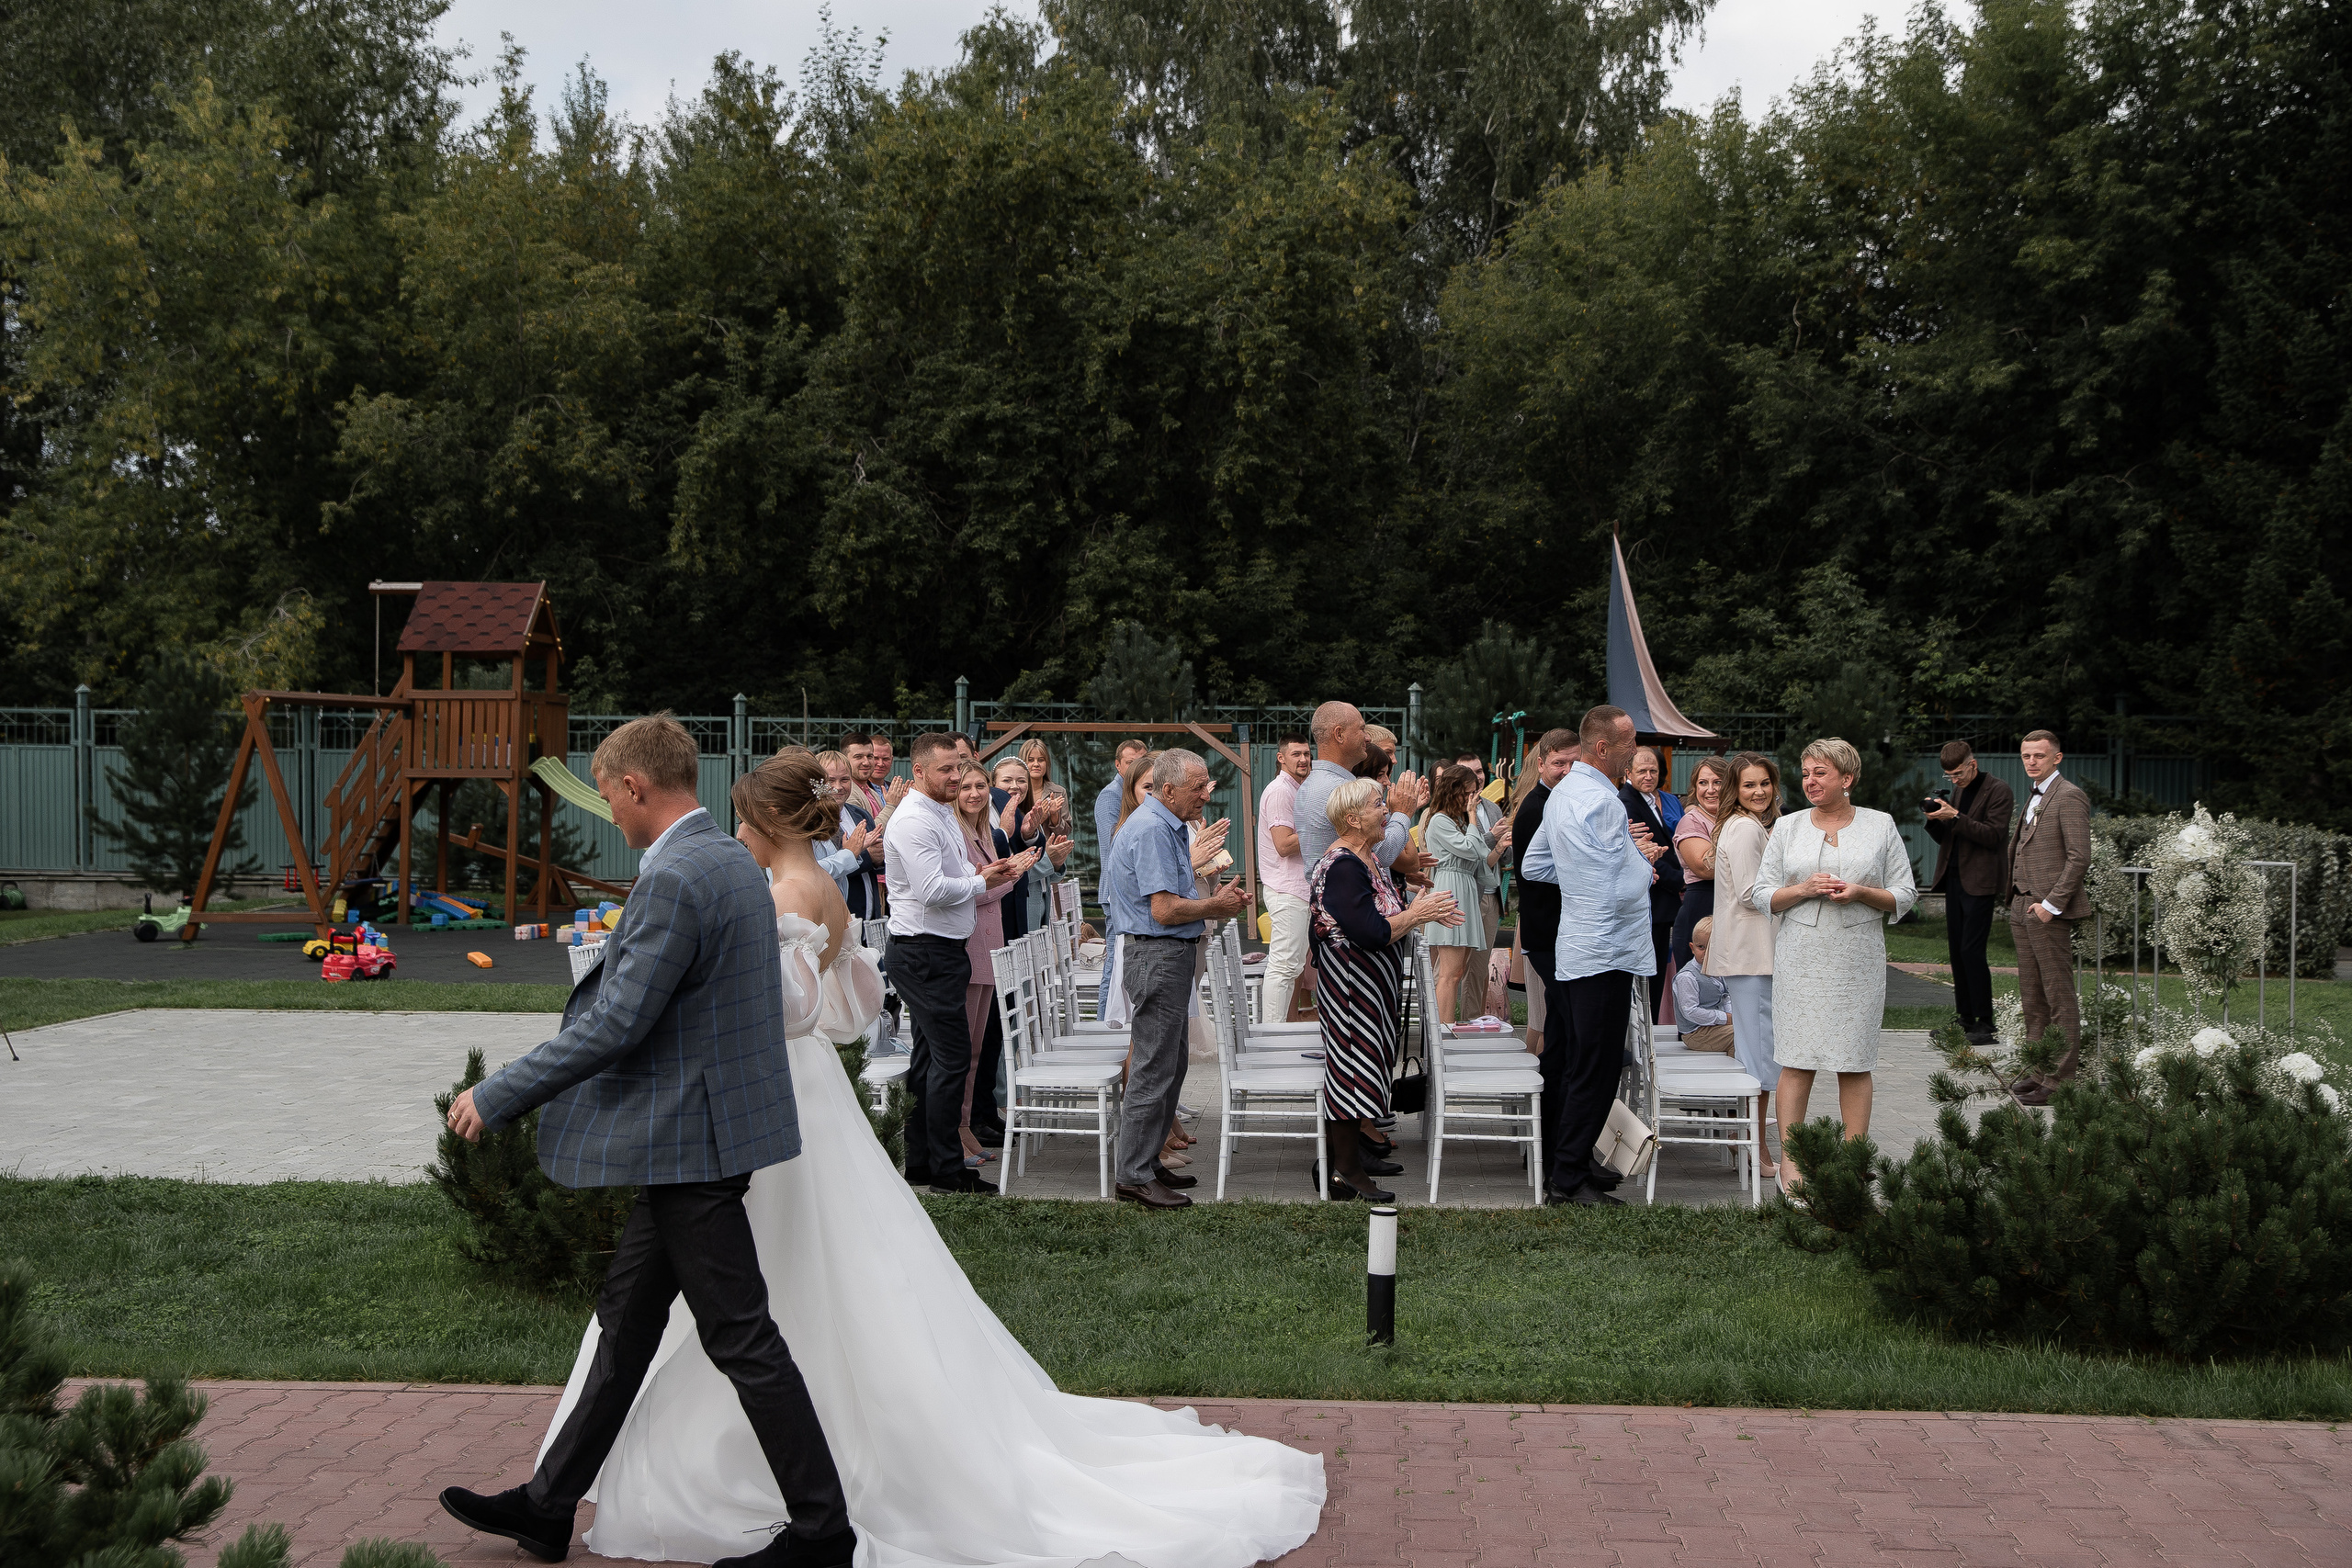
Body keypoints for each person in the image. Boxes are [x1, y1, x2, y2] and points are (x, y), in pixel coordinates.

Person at [497, 746, 1328, 1568]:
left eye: (746, 822)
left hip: (757, 1100)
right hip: (801, 1087)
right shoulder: (810, 887)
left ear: (761, 822)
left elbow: (782, 1008)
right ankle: (550, 1498)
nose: (740, 834)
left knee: (772, 1304)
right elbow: (850, 1007)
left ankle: (812, 1517)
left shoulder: (779, 890)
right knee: (658, 1306)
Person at [436, 716, 855, 1568]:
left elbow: (620, 1021)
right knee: (627, 1320)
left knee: (741, 1336)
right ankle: (550, 1507)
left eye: (610, 797)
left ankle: (823, 1532)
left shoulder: (680, 875)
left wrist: (499, 1091)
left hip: (689, 1144)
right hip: (702, 1135)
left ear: (634, 787)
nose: (610, 817)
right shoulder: (729, 861)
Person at [1753, 737, 1917, 1186]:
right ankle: (1794, 1160)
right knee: (1796, 1057)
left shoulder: (1880, 825)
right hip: (1801, 955)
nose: (1810, 781)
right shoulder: (1786, 828)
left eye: (1820, 773)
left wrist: (1861, 892)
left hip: (1857, 957)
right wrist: (1803, 889)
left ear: (1847, 779)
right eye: (1805, 773)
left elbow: (1905, 894)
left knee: (1854, 1058)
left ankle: (1853, 1159)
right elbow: (1762, 893)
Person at [883, 732, 1033, 1196]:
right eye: (946, 769)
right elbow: (931, 889)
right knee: (950, 1061)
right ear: (920, 772)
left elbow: (951, 878)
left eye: (961, 765)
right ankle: (948, 1169)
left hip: (944, 948)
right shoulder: (913, 820)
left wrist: (979, 876)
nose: (956, 776)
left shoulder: (939, 813)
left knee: (931, 1060)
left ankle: (925, 1162)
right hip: (923, 950)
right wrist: (980, 878)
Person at [1102, 750, 1248, 1210]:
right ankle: (1133, 1175)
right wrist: (1216, 906)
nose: (1208, 793)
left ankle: (1147, 1164)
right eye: (1199, 786)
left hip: (1168, 955)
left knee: (1171, 1064)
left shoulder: (1163, 826)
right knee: (1153, 1067)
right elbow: (1163, 911)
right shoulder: (1150, 830)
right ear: (1168, 791)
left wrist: (1212, 898)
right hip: (1158, 954)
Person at [1535, 705, 1667, 1206]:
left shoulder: (1562, 792)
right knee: (1597, 1066)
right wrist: (1644, 861)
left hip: (1576, 947)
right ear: (1605, 747)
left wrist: (1581, 885)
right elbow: (1620, 885)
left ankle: (1571, 1172)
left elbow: (1535, 863)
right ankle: (1567, 1179)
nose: (1637, 752)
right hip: (1605, 950)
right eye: (1630, 743)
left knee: (1579, 1064)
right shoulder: (1604, 802)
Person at [1307, 777, 1462, 1201]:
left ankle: (1346, 1166)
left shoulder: (1368, 859)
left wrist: (1422, 907)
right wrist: (1417, 914)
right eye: (1379, 805)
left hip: (1369, 987)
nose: (1387, 812)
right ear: (1353, 819)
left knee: (1362, 1072)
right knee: (1349, 1075)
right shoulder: (1342, 865)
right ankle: (1344, 1171)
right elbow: (1371, 932)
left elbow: (1384, 906)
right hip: (1352, 987)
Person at [1702, 751, 1782, 1172]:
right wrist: (1801, 888)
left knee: (1757, 1051)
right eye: (1749, 785)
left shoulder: (1744, 826)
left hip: (1752, 954)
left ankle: (1743, 1135)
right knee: (1760, 1054)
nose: (1759, 792)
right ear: (1736, 789)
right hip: (1753, 954)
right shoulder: (1746, 829)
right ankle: (1755, 1143)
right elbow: (1753, 894)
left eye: (1764, 783)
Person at [2007, 729, 2092, 1101]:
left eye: (2039, 756)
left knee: (2059, 998)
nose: (2031, 761)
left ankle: (2060, 1081)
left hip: (2047, 911)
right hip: (2021, 906)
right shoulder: (2035, 795)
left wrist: (2051, 906)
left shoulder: (2069, 796)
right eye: (2026, 755)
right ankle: (2039, 1071)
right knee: (2033, 997)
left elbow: (2079, 857)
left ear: (2057, 757)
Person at [1924, 739, 2017, 1045]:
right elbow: (1953, 838)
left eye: (1958, 774)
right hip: (1955, 878)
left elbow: (1993, 836)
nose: (1954, 781)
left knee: (1971, 952)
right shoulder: (1960, 790)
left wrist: (1956, 817)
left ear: (1972, 764)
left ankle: (1985, 1024)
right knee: (1956, 952)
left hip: (1981, 881)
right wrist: (1936, 820)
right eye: (1949, 777)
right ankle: (1964, 1020)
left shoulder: (1999, 790)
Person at [953, 761, 1021, 1167]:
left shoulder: (985, 832)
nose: (975, 793)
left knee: (976, 1049)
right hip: (968, 943)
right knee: (962, 1047)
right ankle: (955, 1129)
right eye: (966, 787)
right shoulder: (956, 833)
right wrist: (1004, 879)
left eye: (980, 786)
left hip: (988, 944)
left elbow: (991, 883)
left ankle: (966, 1125)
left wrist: (1008, 873)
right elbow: (971, 892)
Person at [1423, 764, 1510, 1025]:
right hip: (1451, 889)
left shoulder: (1458, 822)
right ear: (1454, 792)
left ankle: (1446, 1028)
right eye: (1468, 793)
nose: (1473, 799)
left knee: (1458, 971)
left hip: (1466, 888)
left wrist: (1500, 846)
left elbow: (1482, 860)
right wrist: (1474, 819)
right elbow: (1471, 849)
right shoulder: (1440, 820)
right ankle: (1443, 1032)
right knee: (1448, 973)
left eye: (1475, 793)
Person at [1509, 729, 1577, 1054]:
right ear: (1540, 764)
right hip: (1548, 930)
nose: (1566, 771)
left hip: (1555, 931)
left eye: (1574, 763)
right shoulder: (1538, 807)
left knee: (1548, 1020)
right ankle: (1547, 1094)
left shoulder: (1560, 801)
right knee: (1556, 1018)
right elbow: (1540, 874)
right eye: (1558, 763)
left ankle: (1541, 1094)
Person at [1296, 701, 1421, 874]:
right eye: (1361, 729)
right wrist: (1402, 812)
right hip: (1352, 895)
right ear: (1339, 734)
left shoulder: (1311, 782)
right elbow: (1383, 854)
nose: (1368, 738)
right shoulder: (1341, 789)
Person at [1620, 746, 1685, 1021]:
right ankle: (1648, 1031)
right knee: (1651, 973)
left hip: (1666, 901)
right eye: (1642, 771)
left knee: (1661, 969)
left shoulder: (1661, 800)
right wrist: (1680, 881)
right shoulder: (1626, 802)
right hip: (1653, 896)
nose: (1648, 776)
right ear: (1628, 773)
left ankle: (1656, 1026)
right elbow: (1642, 851)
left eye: (1653, 771)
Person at [1256, 733, 1315, 1021]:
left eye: (1306, 753)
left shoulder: (1296, 788)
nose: (1303, 759)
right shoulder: (1281, 790)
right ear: (1281, 757)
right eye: (1296, 754)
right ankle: (1272, 1036)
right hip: (1287, 889)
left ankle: (1283, 1031)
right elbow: (1283, 845)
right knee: (1284, 967)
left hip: (1296, 889)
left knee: (1292, 968)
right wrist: (1322, 827)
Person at [1669, 755, 1735, 968]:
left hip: (1735, 906)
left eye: (1718, 782)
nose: (1711, 790)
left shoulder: (1737, 818)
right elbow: (1704, 867)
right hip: (1703, 906)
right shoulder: (1692, 822)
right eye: (1703, 783)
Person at [815, 749, 881, 919]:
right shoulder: (815, 822)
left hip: (870, 912)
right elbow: (821, 870)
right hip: (840, 913)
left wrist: (880, 857)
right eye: (830, 781)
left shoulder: (860, 815)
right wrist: (866, 857)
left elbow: (878, 860)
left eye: (844, 780)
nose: (838, 787)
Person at [1672, 917, 1735, 1054]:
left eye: (1713, 948)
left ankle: (1738, 1065)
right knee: (1738, 1035)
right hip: (1695, 1033)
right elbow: (1690, 1011)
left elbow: (1726, 997)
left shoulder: (1719, 971)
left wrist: (1733, 1015)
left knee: (1747, 1032)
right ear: (1692, 948)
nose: (1706, 953)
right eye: (1701, 947)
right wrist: (1725, 1018)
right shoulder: (1687, 976)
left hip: (1716, 1028)